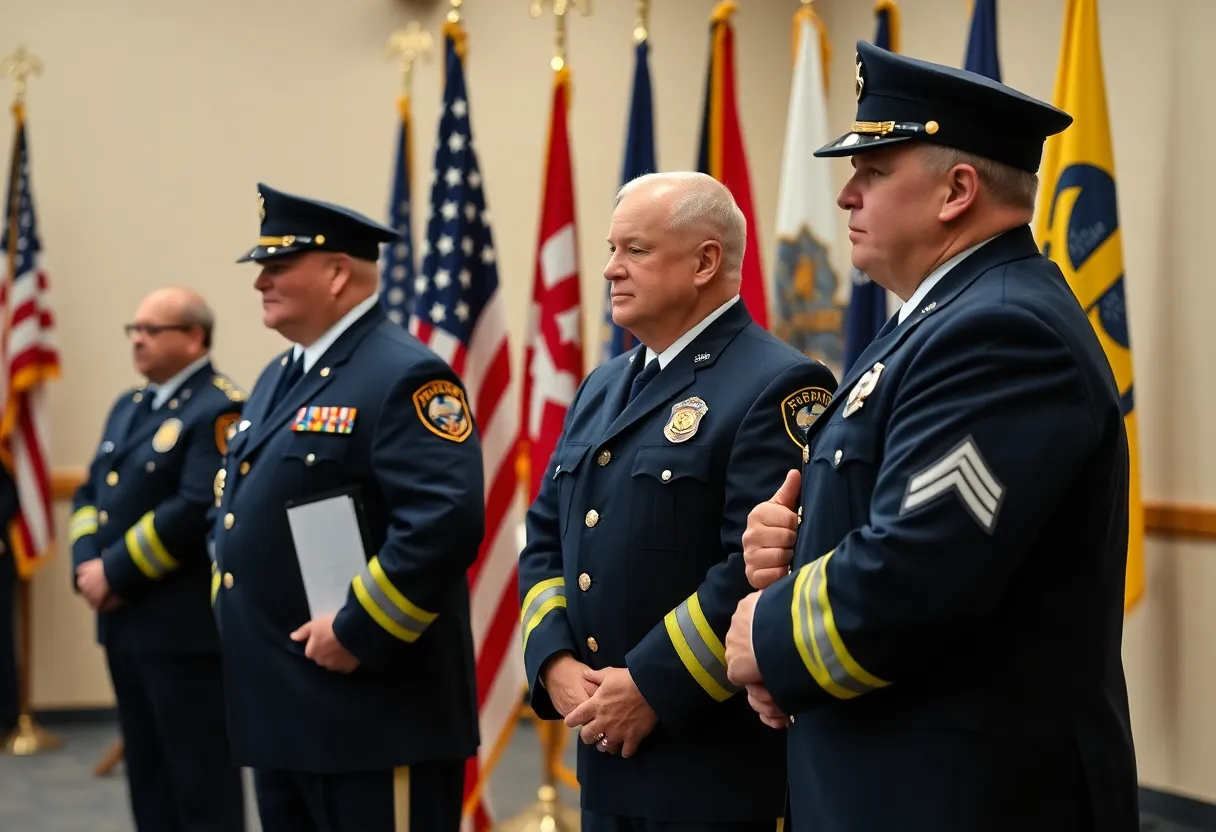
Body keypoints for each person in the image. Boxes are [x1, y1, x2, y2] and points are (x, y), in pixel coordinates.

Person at [723, 41, 1140, 832]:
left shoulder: (1005, 332)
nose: (846, 195)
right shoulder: (936, 323)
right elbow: (894, 516)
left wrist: (765, 637)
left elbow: (919, 569)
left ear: (957, 190)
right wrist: (792, 538)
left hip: (966, 795)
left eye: (874, 172)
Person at [518, 171, 838, 831]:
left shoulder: (777, 384)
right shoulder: (603, 387)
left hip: (707, 764)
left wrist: (649, 686)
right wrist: (553, 662)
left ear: (705, 262)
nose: (610, 270)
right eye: (611, 249)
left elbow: (755, 573)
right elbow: (547, 535)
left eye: (634, 250)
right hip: (603, 751)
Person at [211, 183, 484, 832]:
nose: (260, 285)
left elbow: (444, 521)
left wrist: (361, 629)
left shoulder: (405, 374)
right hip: (286, 709)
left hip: (372, 712)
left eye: (278, 269)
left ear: (337, 273)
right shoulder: (283, 375)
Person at [69, 287, 247, 831]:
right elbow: (87, 496)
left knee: (199, 779)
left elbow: (196, 507)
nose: (138, 340)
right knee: (148, 777)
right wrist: (86, 567)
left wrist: (114, 571)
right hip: (122, 622)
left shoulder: (219, 407)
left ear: (194, 337)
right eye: (135, 330)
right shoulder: (131, 405)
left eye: (151, 329)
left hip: (180, 629)